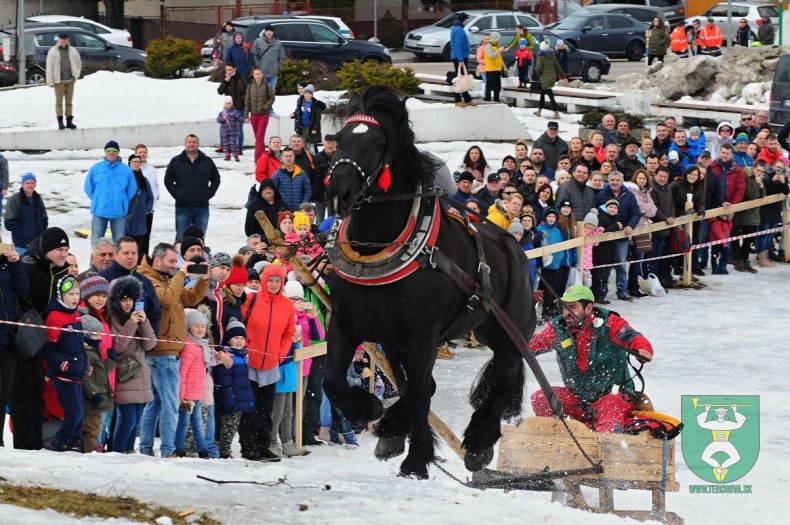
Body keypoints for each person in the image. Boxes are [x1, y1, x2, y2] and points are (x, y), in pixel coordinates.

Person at [529, 285, 653, 433]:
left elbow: (634, 338)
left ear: (588, 308)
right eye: (564, 307)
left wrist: (643, 350)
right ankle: (562, 440)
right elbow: (535, 343)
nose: (566, 313)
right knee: (541, 399)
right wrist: (511, 339)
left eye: (573, 307)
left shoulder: (610, 322)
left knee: (612, 405)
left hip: (612, 396)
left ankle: (600, 438)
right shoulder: (558, 326)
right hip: (578, 399)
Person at [136, 243, 209, 457]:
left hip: (167, 351)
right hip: (163, 352)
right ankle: (168, 450)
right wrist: (182, 273)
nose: (174, 266)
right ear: (156, 261)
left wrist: (202, 282)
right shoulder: (149, 280)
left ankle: (146, 448)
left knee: (155, 403)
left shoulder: (166, 280)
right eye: (171, 262)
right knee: (170, 403)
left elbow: (190, 298)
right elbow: (167, 299)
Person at [12, 227, 71, 450]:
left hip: (41, 341)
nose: (63, 254)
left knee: (37, 392)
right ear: (46, 249)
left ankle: (34, 444)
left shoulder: (59, 273)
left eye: (66, 249)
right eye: (59, 249)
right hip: (21, 339)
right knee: (23, 393)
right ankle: (23, 444)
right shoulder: (29, 268)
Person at [239, 263, 295, 462]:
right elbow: (239, 323)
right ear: (264, 281)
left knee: (267, 409)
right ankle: (248, 446)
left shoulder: (288, 305)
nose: (273, 284)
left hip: (272, 363)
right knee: (250, 408)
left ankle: (264, 446)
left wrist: (280, 353)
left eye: (277, 281)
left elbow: (289, 332)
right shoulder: (252, 299)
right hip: (250, 362)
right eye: (270, 280)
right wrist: (244, 345)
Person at [107, 275, 156, 454]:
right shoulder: (113, 319)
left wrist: (144, 322)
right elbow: (118, 346)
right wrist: (131, 323)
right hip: (124, 375)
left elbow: (150, 344)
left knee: (136, 421)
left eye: (130, 299)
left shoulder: (136, 318)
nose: (127, 303)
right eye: (124, 299)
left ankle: (128, 450)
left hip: (140, 374)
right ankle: (118, 452)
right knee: (127, 419)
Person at [41, 275, 87, 451]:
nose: (75, 297)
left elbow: (79, 343)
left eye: (77, 293)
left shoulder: (75, 315)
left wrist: (85, 360)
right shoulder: (54, 316)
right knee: (73, 413)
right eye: (71, 294)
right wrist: (63, 364)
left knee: (80, 414)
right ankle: (60, 441)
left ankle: (74, 441)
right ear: (61, 295)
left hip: (76, 372)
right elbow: (49, 349)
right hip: (63, 374)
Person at [98, 237, 161, 334]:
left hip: (139, 344)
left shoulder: (145, 282)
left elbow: (154, 313)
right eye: (126, 253)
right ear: (115, 255)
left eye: (134, 253)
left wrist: (151, 338)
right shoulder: (101, 278)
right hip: (111, 340)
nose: (130, 257)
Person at [164, 134, 222, 239]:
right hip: (183, 207)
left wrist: (208, 194)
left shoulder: (207, 161)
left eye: (194, 142)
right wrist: (177, 195)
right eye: (189, 142)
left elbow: (216, 179)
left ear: (198, 144)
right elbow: (168, 180)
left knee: (200, 238)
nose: (192, 144)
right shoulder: (176, 161)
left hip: (202, 207)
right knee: (181, 238)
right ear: (185, 144)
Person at [594, 172, 640, 301]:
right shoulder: (602, 195)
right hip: (605, 238)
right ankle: (603, 291)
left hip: (622, 236)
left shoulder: (629, 195)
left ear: (622, 181)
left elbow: (636, 213)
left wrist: (630, 225)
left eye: (617, 180)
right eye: (612, 180)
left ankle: (622, 291)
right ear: (608, 181)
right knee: (605, 265)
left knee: (621, 263)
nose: (614, 182)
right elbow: (596, 212)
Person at [0, 245, 29, 447]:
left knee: (3, 393)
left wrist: (15, 264)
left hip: (8, 339)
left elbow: (23, 290)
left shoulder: (7, 267)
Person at [84, 140, 137, 246]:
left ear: (118, 153)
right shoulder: (96, 168)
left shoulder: (126, 170)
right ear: (105, 152)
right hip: (99, 212)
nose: (111, 152)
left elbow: (132, 189)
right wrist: (97, 199)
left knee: (119, 244)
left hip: (118, 213)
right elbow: (88, 188)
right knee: (96, 243)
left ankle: (117, 263)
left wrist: (122, 201)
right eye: (108, 150)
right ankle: (94, 263)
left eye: (114, 150)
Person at [214, 318, 254, 459]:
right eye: (236, 337)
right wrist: (229, 400)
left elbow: (245, 382)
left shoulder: (243, 356)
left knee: (233, 428)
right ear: (229, 339)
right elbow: (226, 383)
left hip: (240, 400)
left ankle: (226, 450)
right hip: (231, 402)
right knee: (228, 428)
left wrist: (249, 398)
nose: (239, 340)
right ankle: (223, 452)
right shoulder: (228, 356)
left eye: (242, 338)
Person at [175, 308, 212, 458]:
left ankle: (202, 449)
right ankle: (179, 448)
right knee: (183, 422)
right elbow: (182, 373)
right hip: (187, 395)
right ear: (189, 327)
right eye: (196, 326)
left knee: (197, 422)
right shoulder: (189, 346)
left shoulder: (202, 345)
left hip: (196, 393)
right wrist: (182, 396)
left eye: (202, 326)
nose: (200, 329)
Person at [79, 313, 115, 454]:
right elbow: (85, 377)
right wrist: (94, 395)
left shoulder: (94, 352)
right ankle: (89, 453)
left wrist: (111, 360)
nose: (99, 338)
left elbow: (101, 373)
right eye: (95, 335)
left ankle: (92, 451)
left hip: (97, 397)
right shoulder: (87, 353)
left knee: (95, 428)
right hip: (91, 400)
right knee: (91, 430)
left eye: (100, 334)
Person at [4, 173, 48, 255]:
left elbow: (44, 219)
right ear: (22, 184)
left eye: (32, 183)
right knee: (22, 266)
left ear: (35, 184)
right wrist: (24, 234)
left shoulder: (38, 199)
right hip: (21, 245)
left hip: (38, 244)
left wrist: (41, 232)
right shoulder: (14, 200)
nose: (30, 185)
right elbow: (9, 222)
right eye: (27, 183)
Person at [732, 165, 765, 273]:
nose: (759, 172)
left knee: (748, 241)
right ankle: (740, 260)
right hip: (745, 216)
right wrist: (756, 183)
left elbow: (762, 195)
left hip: (754, 216)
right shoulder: (746, 180)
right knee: (745, 241)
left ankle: (745, 260)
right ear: (752, 170)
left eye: (761, 171)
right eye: (757, 170)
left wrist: (761, 185)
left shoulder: (756, 181)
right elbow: (752, 195)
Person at [45, 33, 81, 130]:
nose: (63, 41)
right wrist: (50, 81)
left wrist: (75, 76)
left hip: (70, 80)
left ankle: (69, 121)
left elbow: (78, 63)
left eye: (65, 39)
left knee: (69, 102)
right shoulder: (53, 51)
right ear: (58, 40)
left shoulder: (73, 51)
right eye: (62, 39)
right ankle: (60, 121)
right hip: (58, 81)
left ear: (67, 40)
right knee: (59, 102)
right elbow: (49, 67)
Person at [133, 145, 160, 260]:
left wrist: (155, 198)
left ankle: (144, 260)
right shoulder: (132, 170)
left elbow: (155, 186)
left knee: (146, 236)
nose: (142, 154)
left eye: (144, 152)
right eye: (140, 152)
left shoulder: (151, 169)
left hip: (148, 209)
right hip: (135, 210)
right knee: (135, 236)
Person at [126, 154, 155, 255]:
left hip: (141, 220)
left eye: (138, 162)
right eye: (134, 162)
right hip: (129, 219)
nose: (136, 164)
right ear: (129, 163)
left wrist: (146, 209)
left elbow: (150, 197)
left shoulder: (144, 180)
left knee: (140, 249)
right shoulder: (126, 179)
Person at [245, 69, 276, 162]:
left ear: (262, 75)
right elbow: (247, 101)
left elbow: (272, 97)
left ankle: (258, 158)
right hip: (254, 115)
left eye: (259, 74)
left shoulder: (267, 85)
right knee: (258, 138)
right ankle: (263, 155)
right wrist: (246, 115)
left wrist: (265, 107)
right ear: (253, 75)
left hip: (264, 114)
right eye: (256, 74)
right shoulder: (250, 87)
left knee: (259, 137)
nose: (257, 76)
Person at [216, 63, 247, 155]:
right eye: (227, 70)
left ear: (234, 69)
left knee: (238, 128)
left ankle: (239, 148)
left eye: (230, 69)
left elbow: (246, 92)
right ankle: (223, 146)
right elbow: (220, 91)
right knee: (223, 126)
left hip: (239, 107)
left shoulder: (240, 79)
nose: (228, 71)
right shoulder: (226, 79)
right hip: (228, 108)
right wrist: (225, 82)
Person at [271, 147, 312, 211]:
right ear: (282, 157)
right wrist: (279, 206)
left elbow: (308, 191)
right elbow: (272, 191)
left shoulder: (301, 173)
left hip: (299, 211)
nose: (288, 158)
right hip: (282, 211)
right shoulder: (277, 175)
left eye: (290, 156)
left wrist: (303, 205)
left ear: (294, 157)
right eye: (286, 156)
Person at [291, 85, 326, 155]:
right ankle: (304, 157)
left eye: (309, 94)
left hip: (310, 127)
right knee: (303, 143)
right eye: (306, 93)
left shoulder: (315, 104)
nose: (307, 95)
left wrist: (315, 128)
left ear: (312, 95)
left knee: (311, 144)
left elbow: (317, 118)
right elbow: (299, 112)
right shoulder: (301, 102)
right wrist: (294, 114)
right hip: (302, 127)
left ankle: (312, 157)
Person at [534, 40, 564, 119]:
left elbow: (537, 68)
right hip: (552, 77)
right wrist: (564, 76)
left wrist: (539, 74)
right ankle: (539, 111)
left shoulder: (541, 57)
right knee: (542, 94)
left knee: (550, 95)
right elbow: (558, 67)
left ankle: (556, 113)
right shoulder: (552, 56)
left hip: (545, 79)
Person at [450, 12, 474, 107]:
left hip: (458, 56)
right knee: (460, 78)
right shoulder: (459, 30)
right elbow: (458, 45)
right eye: (466, 19)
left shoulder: (455, 28)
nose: (467, 21)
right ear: (464, 20)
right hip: (460, 57)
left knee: (461, 77)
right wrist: (461, 59)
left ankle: (466, 98)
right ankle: (458, 99)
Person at [251, 25, 286, 92]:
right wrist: (258, 66)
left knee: (271, 93)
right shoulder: (258, 42)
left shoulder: (278, 43)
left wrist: (278, 67)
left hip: (273, 73)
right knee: (262, 93)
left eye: (270, 31)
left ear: (273, 32)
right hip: (261, 73)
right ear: (265, 32)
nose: (269, 32)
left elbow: (281, 56)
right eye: (267, 31)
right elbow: (254, 55)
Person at [217, 96, 242, 162]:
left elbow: (239, 118)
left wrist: (245, 120)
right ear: (224, 104)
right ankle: (227, 155)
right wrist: (223, 119)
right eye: (226, 104)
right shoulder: (222, 113)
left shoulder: (234, 112)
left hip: (232, 131)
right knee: (226, 144)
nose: (228, 105)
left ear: (232, 104)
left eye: (229, 103)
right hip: (224, 132)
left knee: (233, 143)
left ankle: (235, 155)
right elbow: (218, 120)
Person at [483, 32, 504, 103]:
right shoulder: (489, 45)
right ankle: (487, 97)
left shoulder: (496, 45)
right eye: (498, 39)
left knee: (497, 85)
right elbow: (490, 56)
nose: (499, 40)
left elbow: (499, 57)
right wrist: (499, 51)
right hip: (491, 68)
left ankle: (496, 98)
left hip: (497, 68)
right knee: (490, 84)